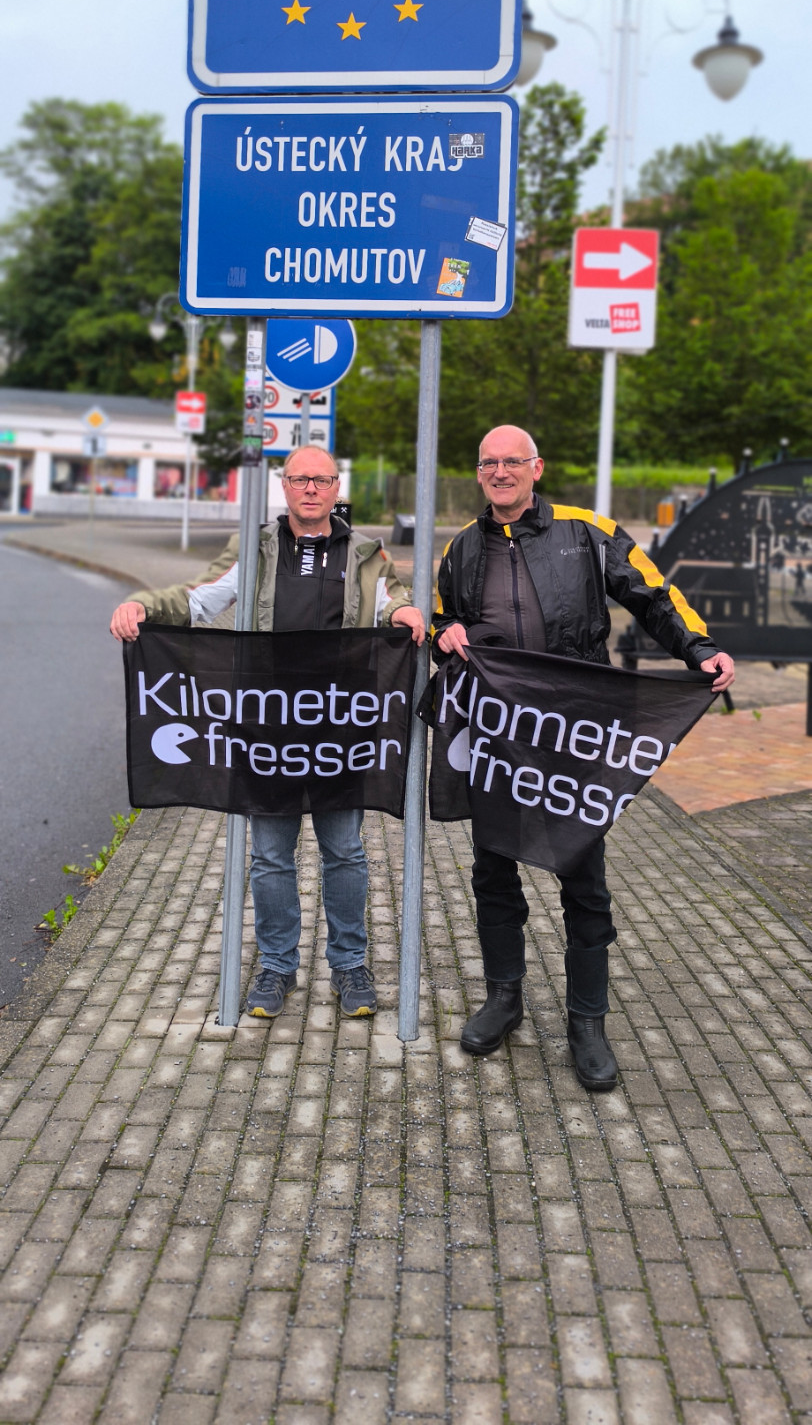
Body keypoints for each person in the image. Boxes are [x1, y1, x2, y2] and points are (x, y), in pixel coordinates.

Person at [432, 424, 734, 1088]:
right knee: (492, 869)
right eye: (489, 463)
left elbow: (652, 594)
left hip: (575, 731)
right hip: (499, 735)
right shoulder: (460, 548)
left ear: (536, 468)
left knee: (583, 876)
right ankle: (504, 997)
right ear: (478, 473)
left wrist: (699, 648)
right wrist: (442, 632)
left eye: (513, 462)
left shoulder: (587, 530)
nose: (501, 472)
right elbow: (442, 622)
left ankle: (587, 1022)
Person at [110, 446, 425, 1021]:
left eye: (321, 480)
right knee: (271, 856)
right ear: (285, 485)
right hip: (267, 728)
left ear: (336, 487)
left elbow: (392, 601)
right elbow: (198, 598)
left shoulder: (365, 552)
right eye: (300, 479)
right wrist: (142, 605)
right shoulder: (255, 549)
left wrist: (403, 614)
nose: (311, 489)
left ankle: (350, 964)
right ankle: (278, 966)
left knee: (345, 852)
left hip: (340, 727)